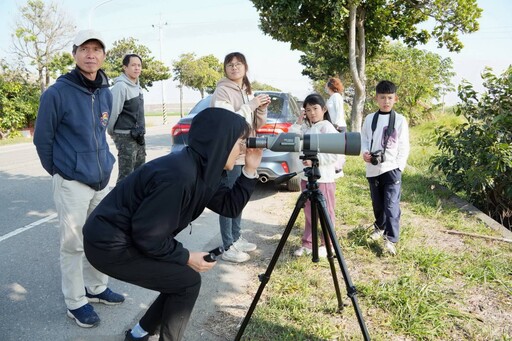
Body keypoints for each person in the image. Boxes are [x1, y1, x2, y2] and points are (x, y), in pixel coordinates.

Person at [82, 108, 263, 341]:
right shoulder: (179, 174)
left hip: (129, 237)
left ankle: (138, 334)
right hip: (108, 245)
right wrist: (187, 256)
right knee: (186, 281)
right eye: (240, 142)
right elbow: (149, 236)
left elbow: (230, 207)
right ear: (221, 141)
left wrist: (249, 170)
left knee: (180, 280)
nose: (242, 148)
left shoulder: (204, 169)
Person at [33, 29, 124, 328]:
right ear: (74, 54)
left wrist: (106, 165)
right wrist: (60, 171)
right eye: (84, 49)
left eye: (96, 49)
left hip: (100, 179)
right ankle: (75, 302)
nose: (90, 54)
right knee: (72, 245)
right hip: (72, 181)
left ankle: (96, 288)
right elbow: (43, 139)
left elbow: (101, 132)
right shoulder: (57, 93)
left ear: (104, 56)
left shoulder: (105, 91)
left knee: (101, 237)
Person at [209, 52, 270, 263]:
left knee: (240, 199)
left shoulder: (246, 90)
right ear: (225, 69)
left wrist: (260, 109)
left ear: (245, 67)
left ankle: (236, 237)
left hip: (246, 151)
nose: (234, 68)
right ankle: (228, 245)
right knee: (230, 200)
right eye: (230, 64)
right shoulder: (222, 91)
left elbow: (254, 124)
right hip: (231, 154)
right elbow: (229, 120)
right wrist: (251, 106)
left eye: (238, 64)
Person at [361, 80, 410, 256]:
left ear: (395, 99)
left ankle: (391, 240)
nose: (386, 101)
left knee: (391, 204)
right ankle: (380, 227)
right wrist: (365, 153)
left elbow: (404, 146)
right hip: (373, 169)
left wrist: (399, 167)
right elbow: (364, 139)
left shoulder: (400, 120)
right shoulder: (369, 119)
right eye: (382, 98)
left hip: (392, 168)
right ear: (376, 99)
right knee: (378, 203)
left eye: (389, 98)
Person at [289, 94, 339, 258]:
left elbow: (333, 155)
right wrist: (297, 123)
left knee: (326, 212)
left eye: (315, 108)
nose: (312, 113)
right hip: (306, 178)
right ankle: (308, 244)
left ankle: (328, 244)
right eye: (308, 110)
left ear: (324, 109)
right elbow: (291, 139)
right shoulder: (307, 128)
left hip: (323, 179)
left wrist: (314, 161)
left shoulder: (327, 128)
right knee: (309, 212)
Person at [108, 53, 146, 183]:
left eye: (139, 65)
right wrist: (112, 132)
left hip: (138, 135)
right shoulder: (121, 86)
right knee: (126, 176)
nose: (137, 68)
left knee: (140, 172)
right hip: (124, 136)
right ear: (125, 67)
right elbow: (113, 112)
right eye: (133, 65)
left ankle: (136, 202)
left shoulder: (139, 87)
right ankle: (120, 202)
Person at [325, 77, 347, 177]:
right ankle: (334, 169)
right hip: (333, 125)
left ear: (330, 86)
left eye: (327, 84)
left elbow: (339, 112)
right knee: (333, 148)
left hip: (338, 126)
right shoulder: (331, 97)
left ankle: (338, 170)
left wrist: (337, 125)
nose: (325, 86)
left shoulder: (336, 96)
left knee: (338, 148)